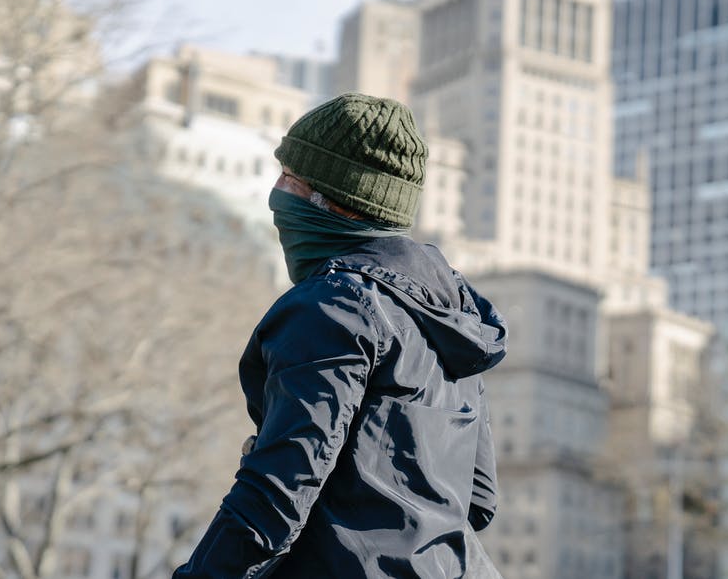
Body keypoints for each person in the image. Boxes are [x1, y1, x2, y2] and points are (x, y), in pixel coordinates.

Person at [173, 93, 508, 578]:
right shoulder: (450, 315)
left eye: (290, 178)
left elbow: (278, 490)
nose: (276, 194)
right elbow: (478, 500)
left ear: (335, 201)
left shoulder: (334, 307)